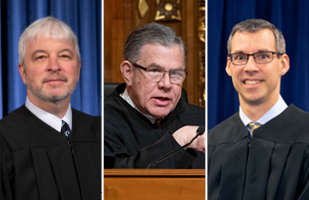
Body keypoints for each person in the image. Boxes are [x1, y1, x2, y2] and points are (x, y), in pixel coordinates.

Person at [0, 17, 101, 199]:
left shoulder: (101, 133)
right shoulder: (3, 140)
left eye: (64, 56)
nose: (54, 67)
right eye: (41, 57)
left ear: (78, 68)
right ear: (23, 72)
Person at [208, 18, 309, 199]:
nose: (250, 67)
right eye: (240, 57)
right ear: (229, 66)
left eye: (263, 56)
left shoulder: (306, 137)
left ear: (283, 64)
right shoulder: (213, 142)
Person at [104, 22, 205, 169]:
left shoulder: (202, 121)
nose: (166, 84)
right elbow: (117, 186)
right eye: (154, 71)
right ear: (128, 73)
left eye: (176, 73)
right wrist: (178, 141)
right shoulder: (101, 127)